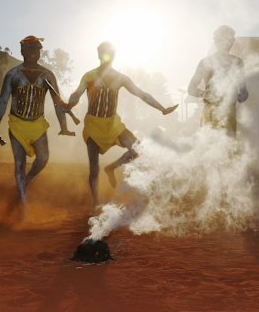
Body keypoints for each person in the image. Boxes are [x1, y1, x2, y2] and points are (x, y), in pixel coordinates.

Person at [67, 41, 178, 207]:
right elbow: (77, 93)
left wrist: (162, 108)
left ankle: (111, 168)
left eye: (111, 53)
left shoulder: (120, 78)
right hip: (93, 126)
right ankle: (96, 204)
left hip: (113, 125)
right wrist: (70, 104)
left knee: (138, 149)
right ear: (98, 55)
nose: (108, 56)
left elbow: (142, 94)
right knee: (94, 169)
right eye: (104, 53)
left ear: (114, 56)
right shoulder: (89, 76)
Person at [0, 35, 75, 203]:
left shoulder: (47, 75)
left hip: (38, 125)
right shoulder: (13, 75)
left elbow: (57, 103)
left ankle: (26, 181)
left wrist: (63, 126)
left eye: (37, 49)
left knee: (43, 158)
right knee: (19, 163)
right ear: (22, 51)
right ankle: (23, 203)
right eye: (30, 49)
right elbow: (3, 101)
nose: (34, 53)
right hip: (17, 125)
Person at [188, 25, 248, 135]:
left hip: (229, 115)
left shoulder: (238, 62)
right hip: (209, 115)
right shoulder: (205, 62)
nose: (229, 43)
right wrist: (205, 94)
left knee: (227, 148)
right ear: (217, 41)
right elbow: (191, 88)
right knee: (209, 147)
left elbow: (243, 94)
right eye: (225, 39)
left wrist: (235, 94)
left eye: (231, 40)